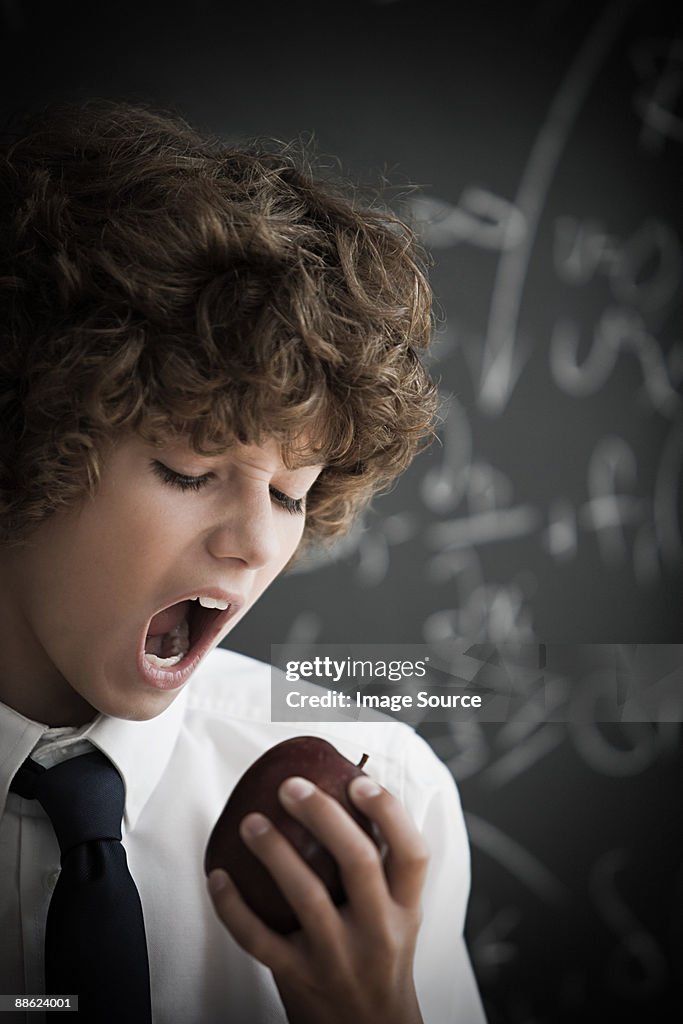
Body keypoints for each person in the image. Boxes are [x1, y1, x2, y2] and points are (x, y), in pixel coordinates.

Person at [0, 99, 486, 1024]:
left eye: (291, 493)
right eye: (189, 470)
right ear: (24, 440)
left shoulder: (387, 806)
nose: (257, 543)